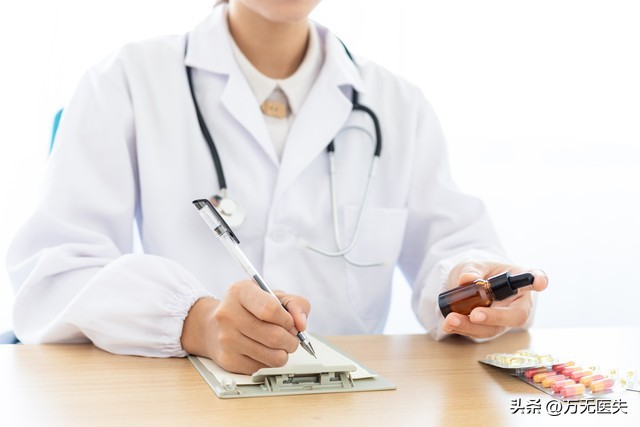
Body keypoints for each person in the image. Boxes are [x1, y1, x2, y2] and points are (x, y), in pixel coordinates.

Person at [7, 0, 548, 374]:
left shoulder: (397, 104)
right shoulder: (125, 81)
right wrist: (193, 322)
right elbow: (52, 275)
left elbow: (451, 249)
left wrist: (471, 284)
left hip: (351, 406)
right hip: (186, 403)